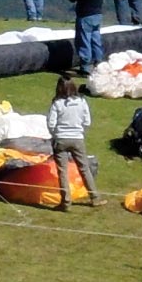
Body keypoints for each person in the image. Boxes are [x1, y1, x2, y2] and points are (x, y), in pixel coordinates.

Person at [47, 75, 98, 210]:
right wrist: (80, 132)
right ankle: (95, 197)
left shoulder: (57, 103)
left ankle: (66, 202)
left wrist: (55, 135)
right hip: (77, 138)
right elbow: (87, 121)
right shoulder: (82, 102)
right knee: (84, 168)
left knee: (62, 171)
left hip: (61, 139)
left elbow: (51, 123)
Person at [60, 0, 108, 74]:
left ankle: (85, 67)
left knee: (84, 41)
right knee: (95, 40)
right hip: (97, 15)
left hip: (86, 16)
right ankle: (98, 63)